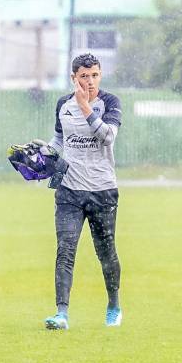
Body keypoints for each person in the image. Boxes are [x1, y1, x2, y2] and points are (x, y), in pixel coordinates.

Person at [42, 53, 123, 330]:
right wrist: (43, 153)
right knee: (65, 250)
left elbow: (108, 136)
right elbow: (59, 139)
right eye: (84, 76)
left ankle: (113, 304)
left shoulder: (110, 102)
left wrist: (85, 107)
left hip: (102, 191)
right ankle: (61, 314)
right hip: (69, 192)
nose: (90, 81)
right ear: (73, 78)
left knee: (106, 253)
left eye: (95, 75)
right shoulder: (62, 105)